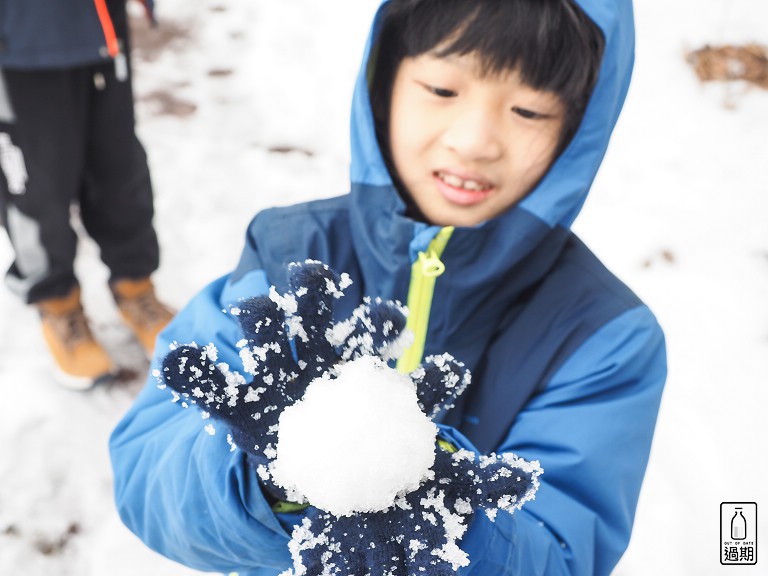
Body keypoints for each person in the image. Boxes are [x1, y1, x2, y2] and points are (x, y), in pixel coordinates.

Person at [110, 0, 667, 574]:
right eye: (443, 91)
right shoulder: (290, 254)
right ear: (385, 84)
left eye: (528, 110)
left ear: (576, 132)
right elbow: (148, 478)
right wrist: (268, 484)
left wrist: (456, 517)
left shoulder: (603, 335)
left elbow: (564, 552)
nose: (475, 141)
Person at [0, 0, 173, 389]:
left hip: (99, 25)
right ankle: (58, 305)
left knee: (119, 169)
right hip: (18, 41)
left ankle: (136, 290)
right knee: (36, 185)